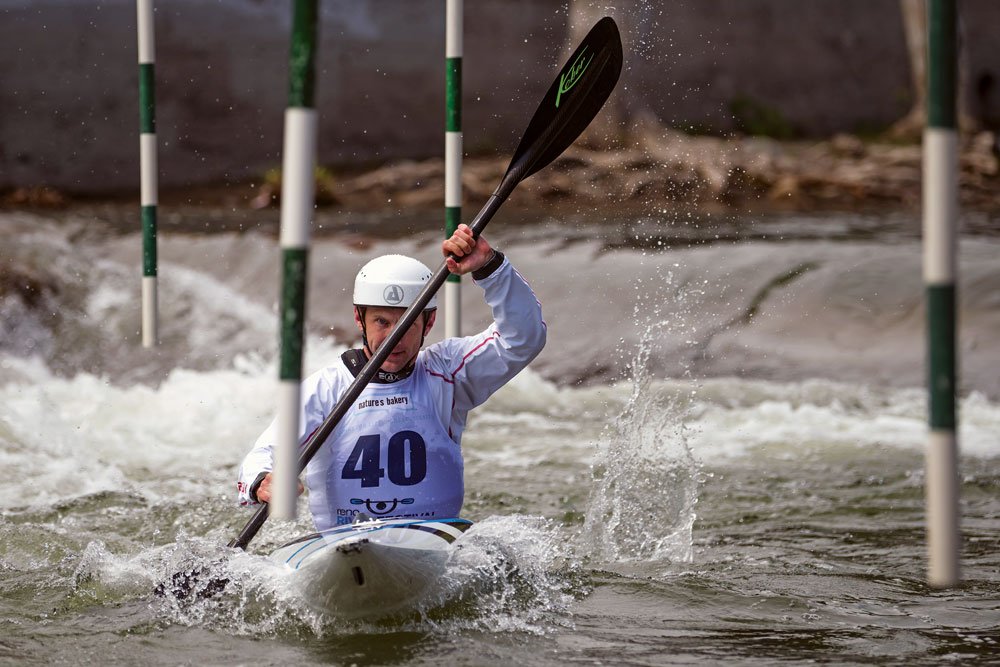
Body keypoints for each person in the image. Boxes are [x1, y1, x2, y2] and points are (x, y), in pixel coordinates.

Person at [236, 224, 546, 529]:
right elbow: (266, 453)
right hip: (344, 547)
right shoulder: (325, 389)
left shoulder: (449, 372)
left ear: (429, 322)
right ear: (359, 319)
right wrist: (262, 481)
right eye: (382, 322)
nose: (394, 338)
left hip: (432, 542)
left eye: (407, 324)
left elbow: (522, 339)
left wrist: (491, 268)